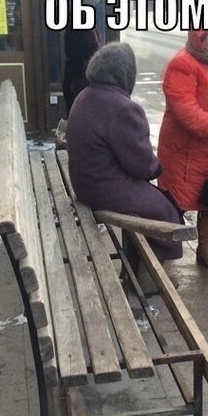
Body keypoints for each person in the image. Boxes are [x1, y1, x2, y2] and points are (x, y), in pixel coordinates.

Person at [67, 42, 183, 265]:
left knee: (155, 201)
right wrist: (157, 168)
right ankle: (147, 272)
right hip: (103, 189)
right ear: (126, 74)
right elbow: (142, 165)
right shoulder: (123, 107)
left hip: (85, 183)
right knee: (165, 210)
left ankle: (139, 265)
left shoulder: (85, 95)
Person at [157, 3, 208, 271]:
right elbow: (186, 111)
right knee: (174, 203)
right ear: (199, 36)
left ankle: (205, 248)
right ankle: (160, 254)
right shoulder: (183, 64)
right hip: (185, 151)